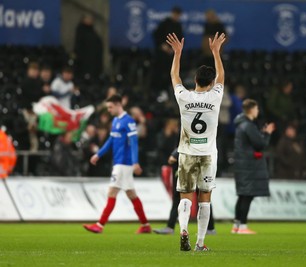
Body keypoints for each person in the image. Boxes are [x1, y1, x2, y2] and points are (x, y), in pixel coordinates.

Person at [166, 31, 226, 251]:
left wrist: (177, 53)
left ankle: (183, 230)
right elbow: (222, 76)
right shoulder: (215, 96)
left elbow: (175, 77)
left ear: (195, 81)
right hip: (208, 154)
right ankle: (200, 243)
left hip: (186, 152)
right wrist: (216, 52)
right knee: (205, 199)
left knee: (185, 196)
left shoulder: (184, 97)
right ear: (210, 83)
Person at [83, 94, 151, 234]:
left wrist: (135, 162)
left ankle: (99, 225)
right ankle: (145, 225)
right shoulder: (115, 121)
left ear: (118, 105)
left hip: (123, 163)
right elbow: (110, 141)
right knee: (131, 194)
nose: (109, 110)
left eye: (110, 107)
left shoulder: (128, 121)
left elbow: (134, 142)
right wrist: (98, 154)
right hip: (119, 162)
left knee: (112, 192)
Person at [232, 99, 275, 234]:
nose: (258, 111)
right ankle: (243, 227)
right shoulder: (248, 125)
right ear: (251, 110)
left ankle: (236, 225)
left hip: (242, 164)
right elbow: (260, 144)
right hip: (248, 165)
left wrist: (260, 134)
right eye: (256, 109)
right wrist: (267, 134)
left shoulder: (241, 125)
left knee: (242, 195)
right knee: (247, 195)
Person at [153, 148, 216, 235]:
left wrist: (175, 154)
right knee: (183, 197)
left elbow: (187, 142)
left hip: (193, 162)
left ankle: (209, 228)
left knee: (202, 197)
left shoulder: (186, 136)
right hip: (187, 162)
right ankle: (171, 227)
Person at [151, 7, 183, 96]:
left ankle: (169, 90)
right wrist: (162, 45)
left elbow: (180, 38)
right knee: (159, 71)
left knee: (172, 72)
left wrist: (174, 49)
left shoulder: (178, 25)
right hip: (162, 53)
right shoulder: (165, 23)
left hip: (172, 53)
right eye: (175, 14)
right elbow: (156, 35)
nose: (176, 16)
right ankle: (158, 91)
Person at [74, 14, 103, 79]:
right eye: (87, 19)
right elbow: (78, 45)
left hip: (94, 59)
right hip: (84, 60)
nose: (89, 21)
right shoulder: (80, 30)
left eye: (90, 19)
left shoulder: (93, 32)